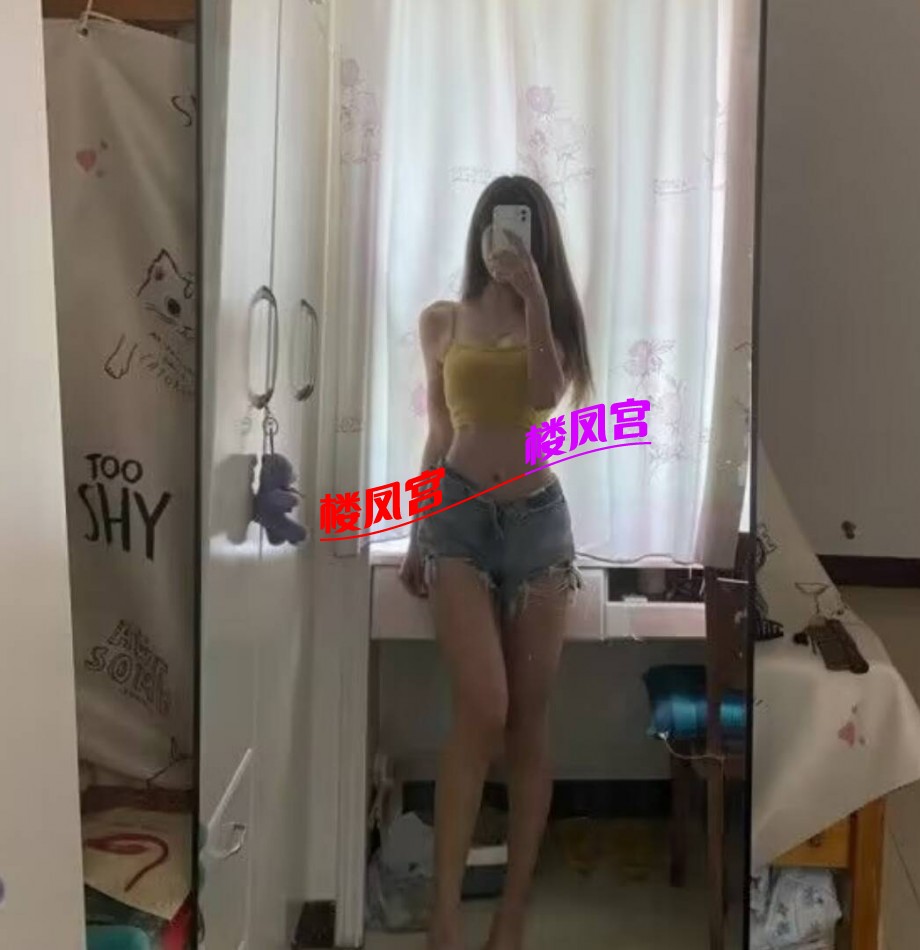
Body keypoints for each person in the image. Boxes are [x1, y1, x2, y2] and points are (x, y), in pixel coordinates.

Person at [399, 175, 593, 950]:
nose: (506, 237)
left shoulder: (558, 319)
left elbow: (544, 398)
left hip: (539, 527)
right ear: (480, 230)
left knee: (529, 723)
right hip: (457, 520)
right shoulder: (441, 321)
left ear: (540, 238)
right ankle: (444, 919)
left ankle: (510, 917)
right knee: (483, 706)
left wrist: (536, 295)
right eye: (496, 222)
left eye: (521, 226)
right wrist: (415, 530)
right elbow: (440, 432)